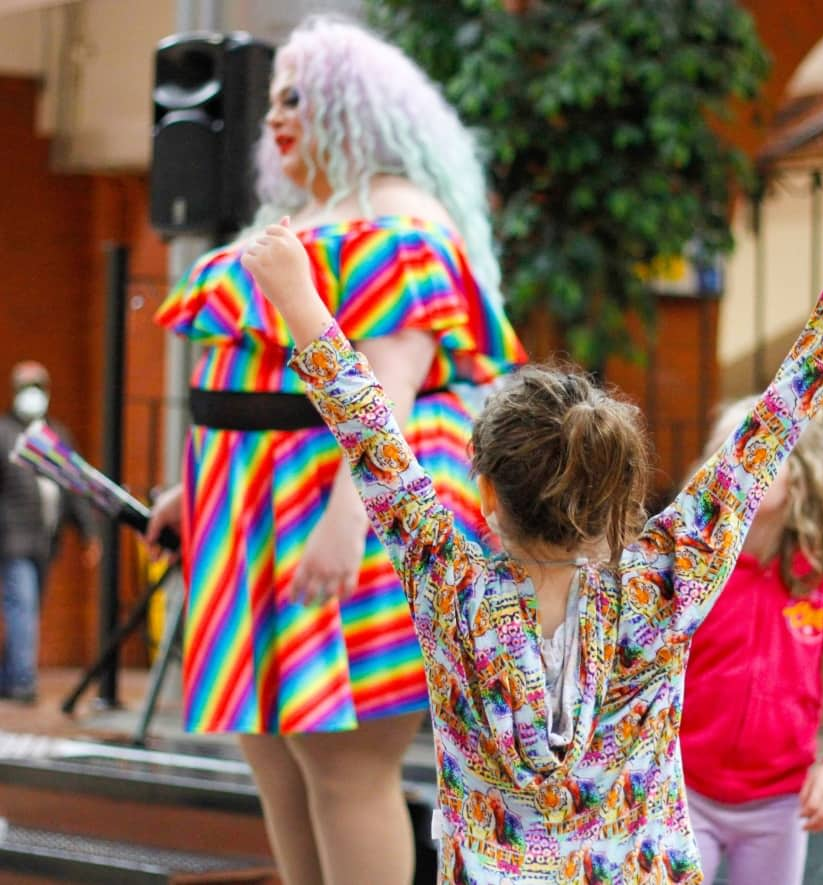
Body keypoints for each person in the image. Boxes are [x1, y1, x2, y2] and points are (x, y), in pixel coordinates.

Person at [240, 217, 823, 882]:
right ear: (622, 502)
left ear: (486, 494)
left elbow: (373, 440)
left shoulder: (449, 585)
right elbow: (765, 437)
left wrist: (300, 301)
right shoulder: (665, 584)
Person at [145, 16, 526, 885]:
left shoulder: (398, 219)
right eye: (274, 97)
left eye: (297, 96)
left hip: (334, 506)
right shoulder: (313, 217)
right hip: (257, 514)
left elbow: (384, 393)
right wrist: (191, 490)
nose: (276, 115)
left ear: (355, 107)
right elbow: (245, 388)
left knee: (345, 768)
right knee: (279, 763)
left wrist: (351, 521)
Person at [679, 399, 823, 885]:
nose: (738, 462)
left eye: (757, 449)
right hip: (683, 791)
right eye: (726, 451)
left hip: (779, 804)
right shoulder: (694, 571)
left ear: (799, 474)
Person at [0, 360, 101, 704]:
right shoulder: (3, 432)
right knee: (22, 606)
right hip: (11, 540)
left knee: (27, 608)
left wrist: (89, 533)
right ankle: (23, 683)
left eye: (39, 386)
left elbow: (72, 488)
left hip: (45, 542)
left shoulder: (55, 434)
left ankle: (9, 675)